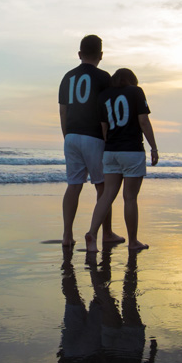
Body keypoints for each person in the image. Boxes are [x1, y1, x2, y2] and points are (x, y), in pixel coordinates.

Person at [59, 35, 123, 247]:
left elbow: (63, 110)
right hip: (94, 136)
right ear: (101, 55)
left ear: (79, 54)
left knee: (73, 185)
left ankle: (67, 235)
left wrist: (66, 135)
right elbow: (109, 109)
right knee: (103, 186)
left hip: (71, 136)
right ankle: (107, 232)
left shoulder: (67, 77)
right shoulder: (104, 77)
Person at [84, 68, 158, 252]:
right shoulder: (136, 91)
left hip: (111, 151)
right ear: (132, 79)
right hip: (131, 150)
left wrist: (108, 148)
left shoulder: (103, 96)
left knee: (107, 195)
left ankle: (92, 232)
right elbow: (143, 121)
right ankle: (133, 241)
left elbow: (104, 127)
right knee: (130, 198)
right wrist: (154, 147)